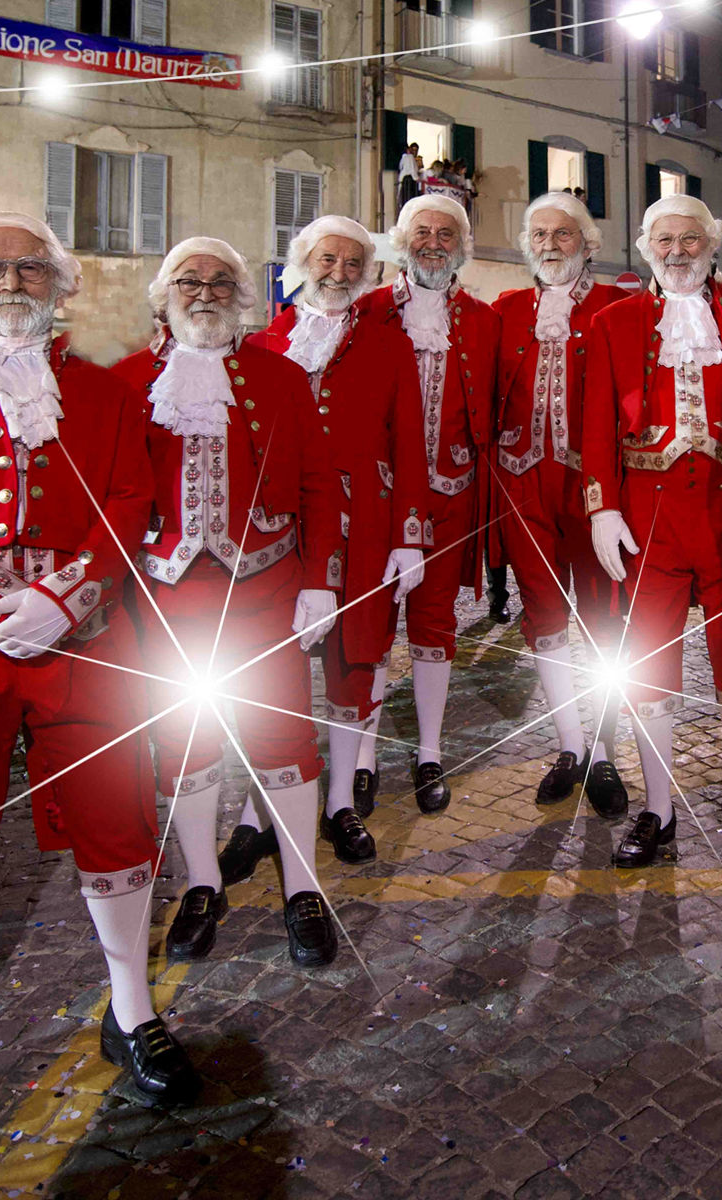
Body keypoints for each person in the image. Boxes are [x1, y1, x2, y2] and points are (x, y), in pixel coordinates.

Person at [0, 211, 201, 1141]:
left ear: (61, 286)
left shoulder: (104, 395)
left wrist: (67, 596)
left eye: (31, 267)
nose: (10, 282)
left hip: (86, 639)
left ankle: (132, 1008)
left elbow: (132, 499)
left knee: (115, 816)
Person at [109, 237, 336, 965]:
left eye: (219, 280)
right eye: (188, 280)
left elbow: (320, 487)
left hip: (266, 588)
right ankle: (202, 882)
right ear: (163, 295)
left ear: (243, 297)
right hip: (166, 600)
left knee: (283, 740)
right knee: (184, 742)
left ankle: (303, 886)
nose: (203, 292)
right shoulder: (124, 382)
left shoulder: (282, 377)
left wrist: (320, 582)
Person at [581, 194, 722, 867]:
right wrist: (602, 507)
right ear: (646, 247)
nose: (677, 252)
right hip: (646, 518)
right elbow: (598, 419)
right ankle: (658, 807)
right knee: (645, 661)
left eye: (690, 239)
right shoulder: (615, 322)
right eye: (664, 240)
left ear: (713, 244)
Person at [245, 215, 428, 922]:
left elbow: (410, 440)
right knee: (267, 669)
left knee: (356, 663)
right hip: (279, 533)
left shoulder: (390, 345)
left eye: (355, 263)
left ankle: (343, 800)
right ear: (303, 262)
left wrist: (409, 536)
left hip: (366, 529)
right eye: (329, 259)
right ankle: (259, 811)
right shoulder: (260, 342)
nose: (341, 271)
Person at [350, 194, 499, 818]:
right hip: (378, 503)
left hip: (454, 496)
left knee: (435, 626)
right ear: (401, 240)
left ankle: (430, 751)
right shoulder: (365, 311)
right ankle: (361, 759)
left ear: (462, 245)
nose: (433, 242)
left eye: (446, 233)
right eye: (422, 232)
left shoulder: (486, 320)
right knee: (372, 627)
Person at [491, 191, 629, 815]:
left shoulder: (617, 308)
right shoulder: (506, 308)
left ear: (587, 242)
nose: (550, 245)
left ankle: (604, 750)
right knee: (543, 615)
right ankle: (570, 746)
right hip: (522, 487)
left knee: (603, 618)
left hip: (593, 490)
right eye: (539, 235)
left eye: (563, 235)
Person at [397, 143, 423, 209]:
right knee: (409, 197)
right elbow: (412, 169)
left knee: (404, 198)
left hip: (403, 179)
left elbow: (401, 167)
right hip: (410, 180)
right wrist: (416, 178)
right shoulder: (410, 157)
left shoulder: (403, 157)